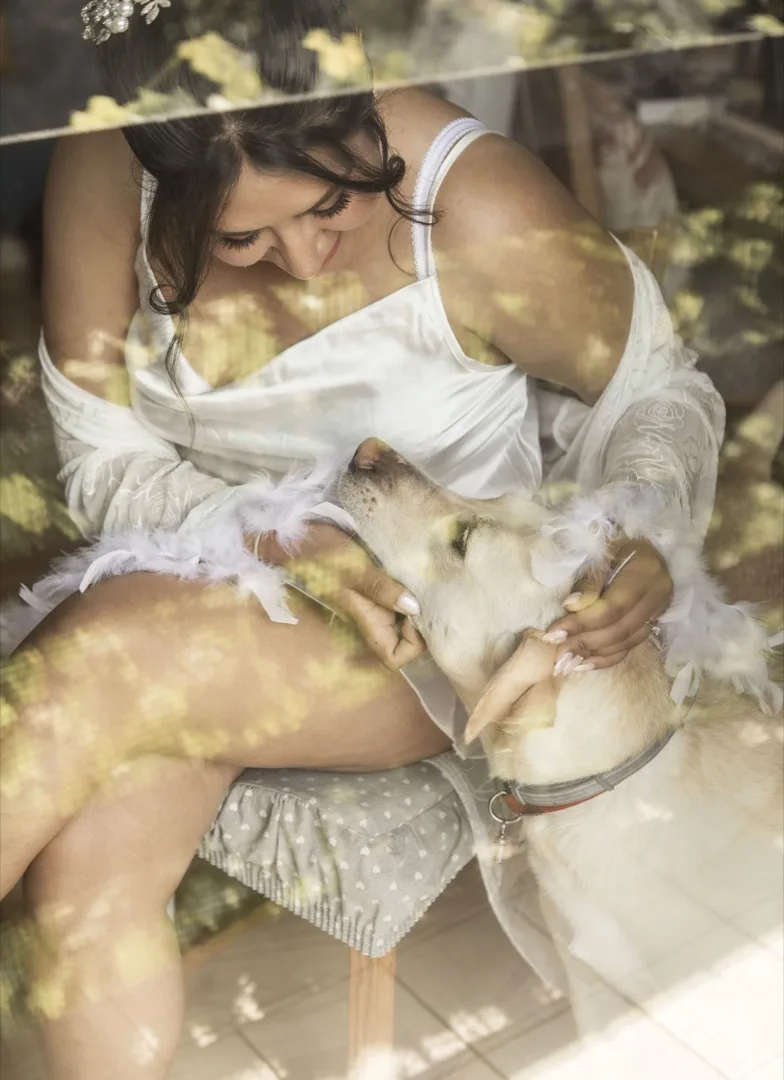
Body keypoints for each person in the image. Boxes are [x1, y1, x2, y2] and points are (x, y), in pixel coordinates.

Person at [1, 2, 736, 1077]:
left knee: (96, 657)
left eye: (332, 204)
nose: (301, 259)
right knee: (88, 866)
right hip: (196, 584)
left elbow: (657, 389)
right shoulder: (103, 169)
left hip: (427, 631)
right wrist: (280, 540)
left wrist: (633, 526)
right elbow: (104, 457)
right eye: (240, 239)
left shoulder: (473, 202)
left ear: (357, 114)